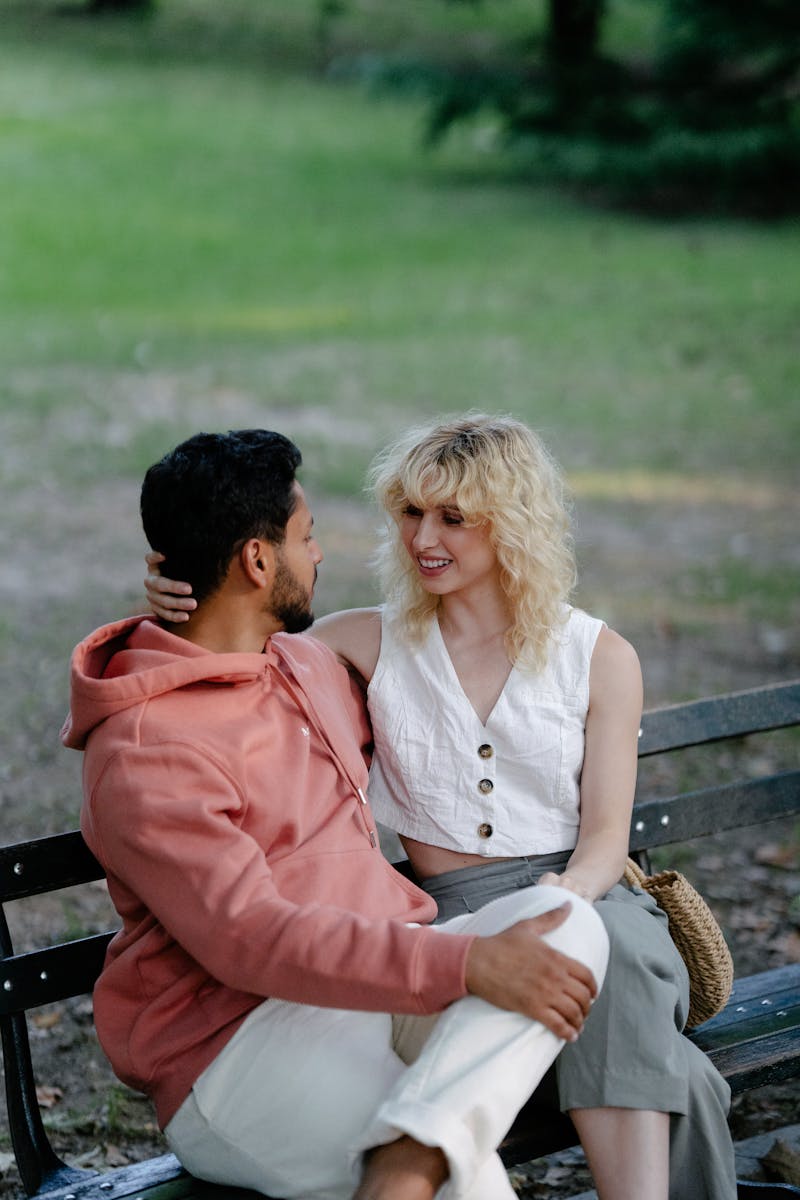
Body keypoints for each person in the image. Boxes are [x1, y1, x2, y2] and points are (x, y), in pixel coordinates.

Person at [146, 414, 737, 1200]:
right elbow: (235, 631)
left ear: (513, 525)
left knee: (594, 947)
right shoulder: (363, 642)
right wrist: (167, 599)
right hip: (447, 922)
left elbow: (603, 839)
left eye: (453, 518)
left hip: (584, 891)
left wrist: (569, 894)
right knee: (680, 1077)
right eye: (411, 512)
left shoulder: (598, 658)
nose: (424, 536)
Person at [64, 428, 609, 1200]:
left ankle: (411, 1151)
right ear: (258, 562)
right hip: (238, 1048)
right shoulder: (148, 747)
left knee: (567, 923)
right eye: (306, 537)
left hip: (373, 989)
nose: (318, 555)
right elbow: (246, 939)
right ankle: (422, 1156)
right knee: (472, 1181)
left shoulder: (305, 664)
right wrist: (461, 964)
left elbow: (447, 697)